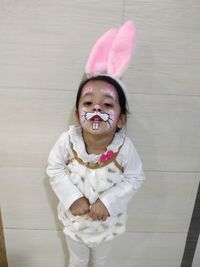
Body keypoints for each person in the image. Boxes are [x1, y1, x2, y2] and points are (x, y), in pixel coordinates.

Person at [46, 20, 145, 267]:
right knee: (77, 260)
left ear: (121, 118)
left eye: (108, 104)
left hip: (107, 223)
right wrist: (72, 198)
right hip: (75, 222)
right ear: (77, 112)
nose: (97, 108)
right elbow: (54, 168)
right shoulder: (68, 142)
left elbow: (135, 178)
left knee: (102, 261)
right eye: (88, 103)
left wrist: (107, 202)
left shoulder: (124, 148)